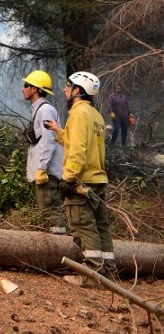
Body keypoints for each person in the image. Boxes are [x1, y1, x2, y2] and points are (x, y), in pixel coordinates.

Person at [44, 71, 116, 278]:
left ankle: (92, 273)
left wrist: (67, 178)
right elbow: (80, 141)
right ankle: (108, 273)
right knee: (101, 227)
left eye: (68, 86)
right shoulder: (95, 115)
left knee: (83, 226)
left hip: (82, 182)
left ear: (77, 91)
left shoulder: (77, 114)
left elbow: (78, 150)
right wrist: (58, 131)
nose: (65, 89)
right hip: (98, 180)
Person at [21, 70, 66, 234]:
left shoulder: (45, 110)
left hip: (47, 172)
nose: (23, 89)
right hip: (44, 171)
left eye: (26, 85)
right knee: (47, 210)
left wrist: (42, 168)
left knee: (52, 210)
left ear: (35, 89)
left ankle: (59, 243)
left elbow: (49, 140)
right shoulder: (38, 109)